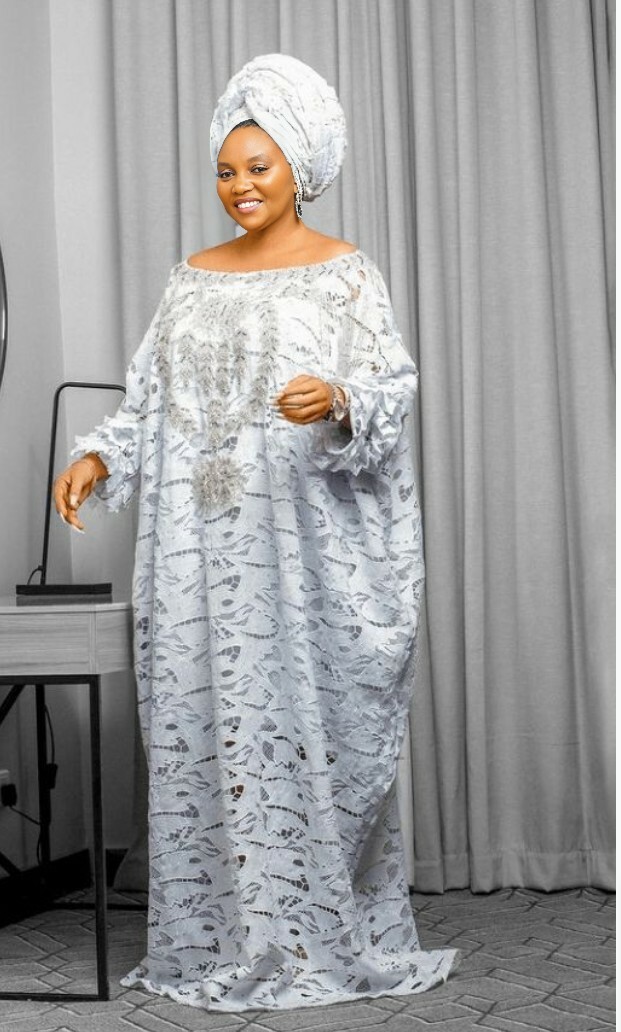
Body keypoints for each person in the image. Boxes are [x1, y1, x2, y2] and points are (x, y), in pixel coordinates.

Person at [54, 53, 461, 1013]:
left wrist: (340, 397)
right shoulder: (189, 281)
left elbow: (392, 391)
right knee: (205, 729)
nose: (239, 186)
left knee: (295, 736)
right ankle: (216, 937)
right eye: (226, 171)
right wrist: (98, 458)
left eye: (259, 168)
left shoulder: (344, 274)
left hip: (301, 558)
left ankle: (311, 931)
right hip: (197, 562)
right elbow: (148, 405)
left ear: (300, 167)